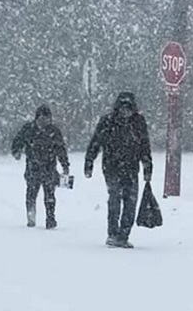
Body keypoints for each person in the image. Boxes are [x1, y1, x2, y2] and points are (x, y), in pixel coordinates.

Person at [84, 92, 153, 248]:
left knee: (130, 202)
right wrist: (89, 161)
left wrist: (147, 166)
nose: (125, 112)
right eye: (122, 108)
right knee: (115, 198)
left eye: (128, 109)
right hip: (112, 167)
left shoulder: (138, 122)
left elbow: (145, 146)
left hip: (130, 167)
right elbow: (96, 142)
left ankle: (123, 235)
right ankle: (113, 234)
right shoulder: (108, 121)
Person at [11, 105, 70, 229]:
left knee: (50, 195)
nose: (44, 122)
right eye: (41, 119)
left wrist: (65, 164)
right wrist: (16, 151)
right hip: (33, 168)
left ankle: (50, 218)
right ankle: (31, 217)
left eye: (46, 119)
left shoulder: (54, 131)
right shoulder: (29, 129)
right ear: (37, 118)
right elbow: (18, 140)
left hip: (49, 168)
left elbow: (61, 149)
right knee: (31, 194)